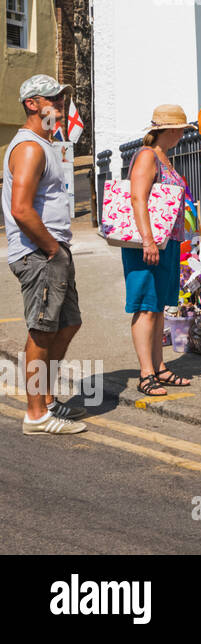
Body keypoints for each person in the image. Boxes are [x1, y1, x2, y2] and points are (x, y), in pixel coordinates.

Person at [3, 74, 87, 434]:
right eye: (52, 99)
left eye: (62, 100)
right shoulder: (30, 148)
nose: (60, 106)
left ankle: (47, 399)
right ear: (32, 104)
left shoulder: (44, 144)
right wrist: (52, 249)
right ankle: (36, 414)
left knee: (67, 324)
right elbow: (21, 210)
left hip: (51, 251)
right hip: (38, 253)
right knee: (41, 330)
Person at [122, 104, 198, 397]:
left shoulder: (164, 157)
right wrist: (147, 240)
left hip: (166, 243)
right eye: (181, 130)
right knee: (146, 306)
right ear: (171, 130)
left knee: (157, 308)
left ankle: (159, 367)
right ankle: (146, 374)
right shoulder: (146, 156)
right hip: (148, 244)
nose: (182, 135)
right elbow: (137, 199)